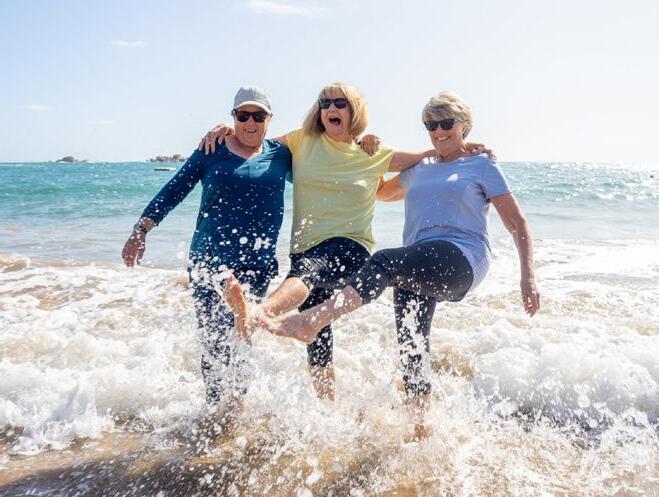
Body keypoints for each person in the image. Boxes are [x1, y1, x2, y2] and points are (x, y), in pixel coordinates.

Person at [260, 91, 540, 440]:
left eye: (446, 124)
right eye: (430, 125)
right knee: (411, 343)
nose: (438, 132)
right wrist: (366, 147)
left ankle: (311, 321)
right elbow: (379, 190)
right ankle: (421, 429)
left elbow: (517, 223)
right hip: (418, 261)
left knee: (384, 261)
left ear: (464, 125)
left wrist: (528, 277)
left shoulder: (481, 165)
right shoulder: (420, 168)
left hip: (463, 257)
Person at [200, 82, 464, 401]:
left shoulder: (372, 153)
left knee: (309, 272)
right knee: (317, 332)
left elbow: (431, 156)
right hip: (304, 247)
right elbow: (253, 141)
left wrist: (466, 145)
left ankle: (256, 315)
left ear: (354, 111)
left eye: (340, 103)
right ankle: (327, 405)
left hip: (350, 247)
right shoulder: (301, 141)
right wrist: (230, 129)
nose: (331, 108)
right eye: (325, 103)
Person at [121, 86, 292, 412]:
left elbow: (322, 159)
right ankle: (215, 409)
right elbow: (175, 189)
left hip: (257, 264)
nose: (250, 123)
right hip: (210, 260)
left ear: (270, 119)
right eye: (243, 116)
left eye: (258, 116)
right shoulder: (211, 149)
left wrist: (364, 147)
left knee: (243, 337)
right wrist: (141, 229)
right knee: (215, 341)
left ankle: (236, 408)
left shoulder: (281, 154)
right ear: (233, 117)